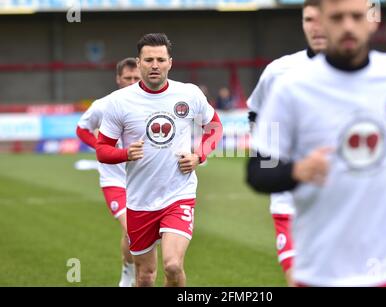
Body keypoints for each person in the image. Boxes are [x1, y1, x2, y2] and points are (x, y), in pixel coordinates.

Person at [247, 0, 386, 287]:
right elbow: (258, 171)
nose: (348, 26)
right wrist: (295, 171)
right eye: (337, 17)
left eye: (356, 16)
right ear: (321, 21)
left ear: (372, 20)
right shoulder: (289, 86)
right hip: (323, 265)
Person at [96, 33, 223, 287]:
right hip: (140, 200)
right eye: (149, 59)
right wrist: (125, 153)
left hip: (179, 194)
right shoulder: (118, 102)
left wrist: (199, 155)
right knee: (145, 276)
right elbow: (102, 149)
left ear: (170, 63)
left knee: (173, 266)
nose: (155, 65)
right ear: (139, 62)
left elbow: (215, 127)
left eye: (160, 59)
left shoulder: (189, 94)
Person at [246, 0, 327, 286]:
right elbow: (256, 111)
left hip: (342, 202)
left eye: (323, 18)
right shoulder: (279, 71)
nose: (316, 27)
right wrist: (275, 165)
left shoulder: (369, 73)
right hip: (290, 202)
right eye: (309, 20)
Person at [76, 57, 140, 287]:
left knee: (138, 234)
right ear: (118, 79)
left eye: (136, 77)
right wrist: (101, 148)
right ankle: (128, 275)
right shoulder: (103, 105)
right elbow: (82, 129)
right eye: (127, 78)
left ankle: (134, 271)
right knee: (132, 229)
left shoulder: (152, 104)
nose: (132, 81)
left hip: (143, 180)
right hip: (114, 180)